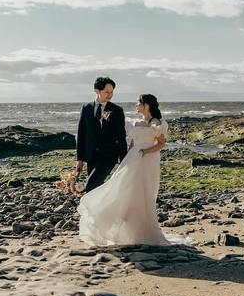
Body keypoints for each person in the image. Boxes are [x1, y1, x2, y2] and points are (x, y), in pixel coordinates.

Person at [78, 93, 187, 247]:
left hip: (148, 160)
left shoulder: (157, 123)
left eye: (138, 103)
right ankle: (116, 226)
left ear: (146, 105)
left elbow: (161, 143)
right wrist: (125, 160)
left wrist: (145, 152)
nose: (136, 105)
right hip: (133, 158)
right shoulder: (135, 122)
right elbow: (131, 143)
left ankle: (143, 231)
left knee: (143, 193)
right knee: (123, 189)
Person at [75, 76, 127, 193]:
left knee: (90, 185)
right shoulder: (86, 108)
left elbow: (121, 136)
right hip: (91, 155)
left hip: (109, 155)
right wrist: (80, 159)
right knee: (95, 189)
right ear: (97, 91)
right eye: (106, 92)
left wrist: (123, 160)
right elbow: (81, 134)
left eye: (112, 92)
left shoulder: (117, 110)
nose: (110, 95)